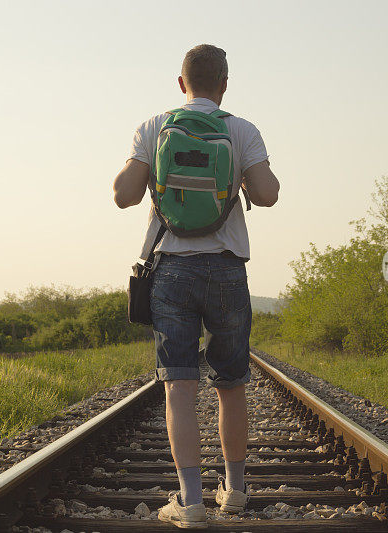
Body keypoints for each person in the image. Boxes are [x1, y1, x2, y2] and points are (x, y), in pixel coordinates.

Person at [112, 44, 280, 529]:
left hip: (172, 271)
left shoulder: (155, 127)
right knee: (231, 386)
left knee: (179, 388)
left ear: (180, 83)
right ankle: (236, 491)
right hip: (227, 268)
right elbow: (267, 194)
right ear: (224, 84)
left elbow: (123, 195)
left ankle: (189, 501)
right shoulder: (241, 129)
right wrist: (242, 184)